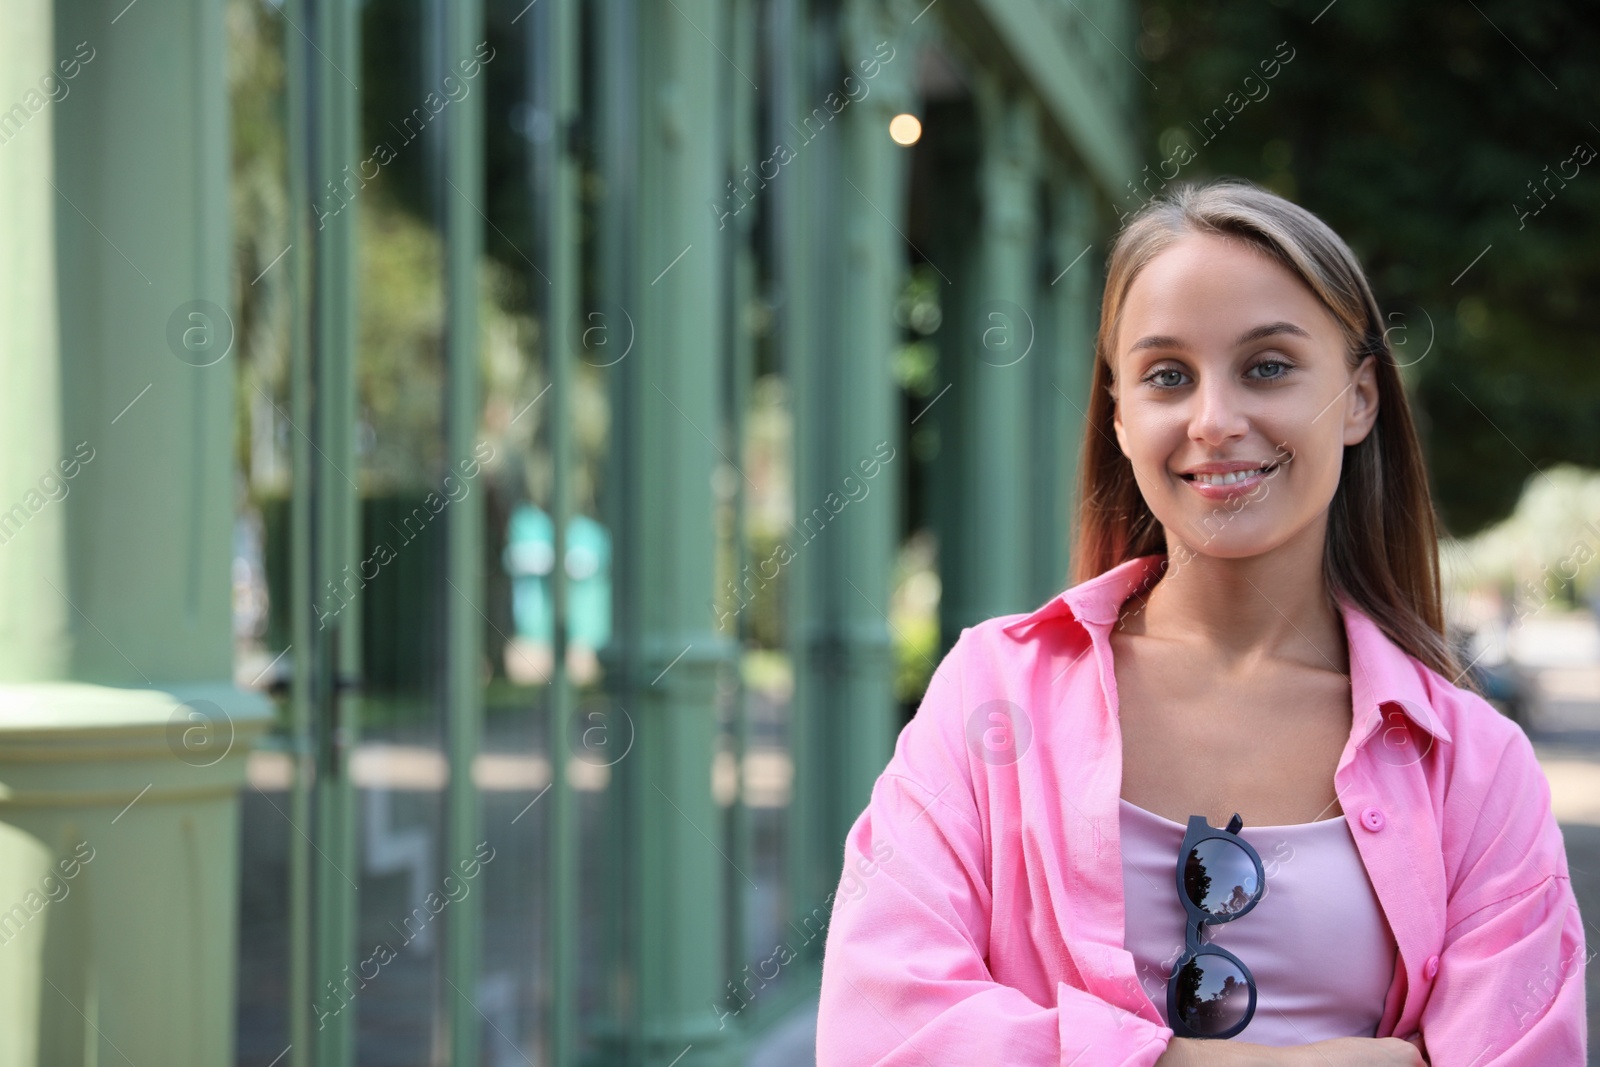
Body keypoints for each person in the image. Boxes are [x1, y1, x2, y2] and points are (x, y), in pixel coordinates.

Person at [814, 179, 1587, 1066]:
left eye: (1268, 366)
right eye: (1168, 375)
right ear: (1119, 412)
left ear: (1362, 399)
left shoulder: (1475, 768)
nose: (1215, 421)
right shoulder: (990, 693)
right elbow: (882, 1033)